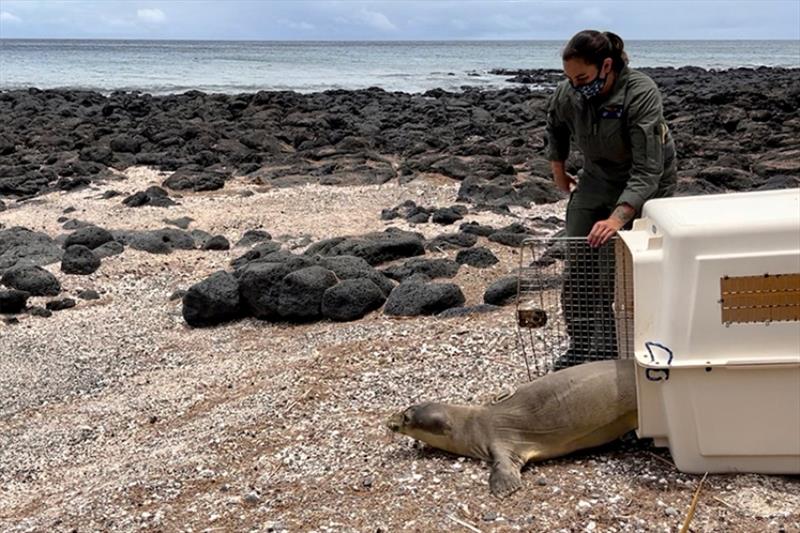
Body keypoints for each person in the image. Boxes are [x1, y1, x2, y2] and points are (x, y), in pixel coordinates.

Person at [545, 30, 677, 369]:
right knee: (580, 261)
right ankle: (582, 345)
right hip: (597, 177)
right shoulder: (569, 91)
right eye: (570, 79)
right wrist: (558, 169)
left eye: (583, 78)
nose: (576, 86)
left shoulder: (640, 92)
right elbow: (555, 124)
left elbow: (649, 169)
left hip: (648, 180)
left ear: (606, 65)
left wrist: (618, 219)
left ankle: (622, 348)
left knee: (620, 269)